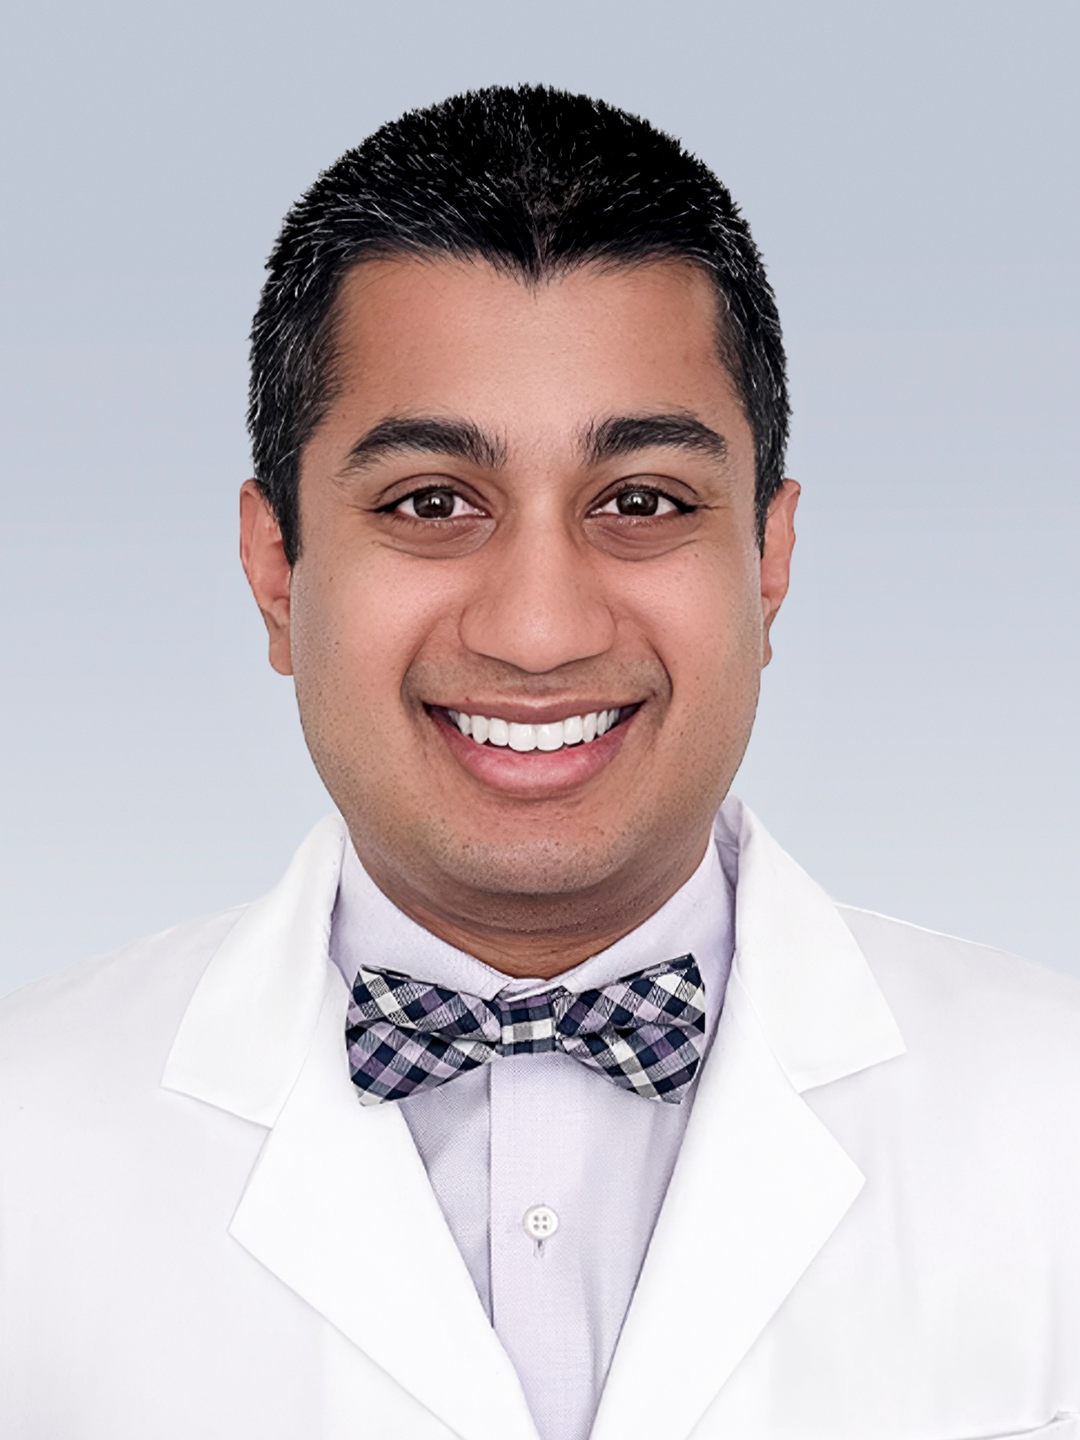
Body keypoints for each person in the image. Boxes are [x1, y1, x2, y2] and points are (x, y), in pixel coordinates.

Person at [1, 85, 1078, 1440]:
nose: (538, 630)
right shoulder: (22, 1137)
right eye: (431, 502)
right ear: (277, 571)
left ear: (768, 560)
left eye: (641, 501)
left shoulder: (1057, 1115)